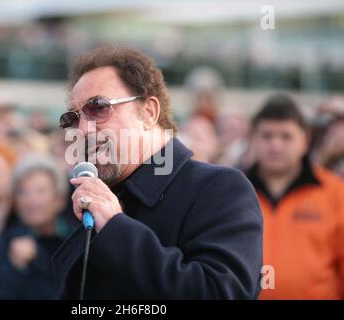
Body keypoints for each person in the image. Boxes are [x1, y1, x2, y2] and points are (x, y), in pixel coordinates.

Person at [52, 46, 263, 299]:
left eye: (98, 107)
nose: (83, 129)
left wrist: (115, 228)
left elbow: (220, 293)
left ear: (149, 112)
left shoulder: (220, 188)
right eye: (72, 118)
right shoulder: (93, 195)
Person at [246, 94, 344, 299]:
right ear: (253, 139)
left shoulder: (335, 193)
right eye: (267, 136)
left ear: (305, 140)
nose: (276, 145)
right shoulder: (232, 192)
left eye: (286, 136)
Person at [0, 155, 70, 299]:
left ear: (60, 199)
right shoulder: (0, 247)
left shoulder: (81, 241)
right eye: (23, 192)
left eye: (40, 191)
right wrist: (16, 270)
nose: (32, 201)